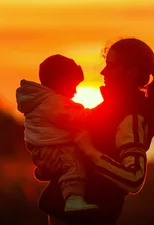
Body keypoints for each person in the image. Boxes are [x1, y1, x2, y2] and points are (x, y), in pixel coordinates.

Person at [37, 38, 154, 225]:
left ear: (131, 72)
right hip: (71, 220)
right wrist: (48, 169)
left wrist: (89, 150)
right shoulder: (108, 109)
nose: (103, 72)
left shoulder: (132, 117)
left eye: (111, 65)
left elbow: (134, 177)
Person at [16, 54, 98, 212]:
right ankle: (73, 199)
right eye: (73, 85)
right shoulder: (53, 102)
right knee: (74, 165)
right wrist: (93, 115)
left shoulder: (42, 101)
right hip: (53, 148)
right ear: (60, 82)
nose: (75, 91)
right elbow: (72, 118)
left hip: (44, 149)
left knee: (70, 163)